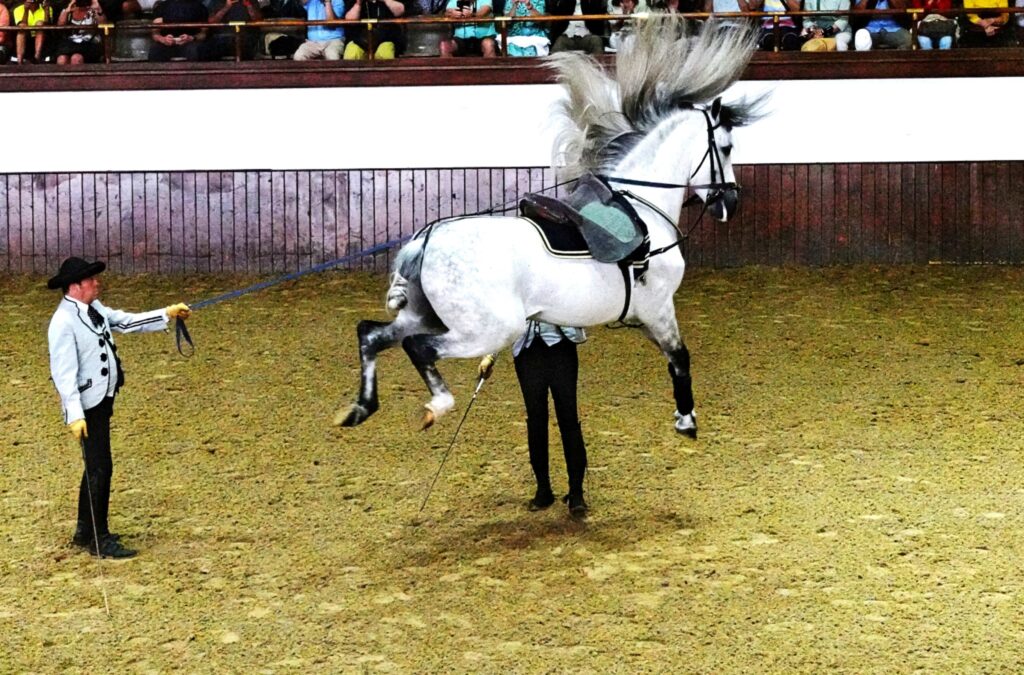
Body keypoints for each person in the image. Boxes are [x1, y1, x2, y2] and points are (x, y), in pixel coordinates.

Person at [47, 257, 191, 558]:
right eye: (90, 280)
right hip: (88, 406)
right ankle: (99, 539)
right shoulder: (63, 322)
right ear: (75, 287)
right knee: (101, 468)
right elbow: (63, 373)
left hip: (103, 398)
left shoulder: (93, 309)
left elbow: (126, 321)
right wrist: (74, 415)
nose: (96, 283)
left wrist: (165, 313)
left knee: (96, 466)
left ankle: (85, 529)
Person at [510, 321, 589, 517]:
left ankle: (576, 492)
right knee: (536, 420)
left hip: (561, 348)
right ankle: (543, 489)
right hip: (527, 352)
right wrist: (490, 355)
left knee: (569, 418)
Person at [53, 0, 104, 64]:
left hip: (90, 43)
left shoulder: (94, 9)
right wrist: (67, 11)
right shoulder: (71, 9)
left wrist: (98, 9)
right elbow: (60, 26)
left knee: (76, 58)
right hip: (70, 44)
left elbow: (104, 24)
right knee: (62, 59)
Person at [12, 0, 53, 64]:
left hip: (43, 38)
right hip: (27, 38)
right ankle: (19, 61)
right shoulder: (18, 9)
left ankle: (37, 57)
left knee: (40, 24)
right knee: (22, 28)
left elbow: (48, 26)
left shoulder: (46, 8)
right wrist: (26, 10)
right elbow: (21, 25)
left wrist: (46, 10)